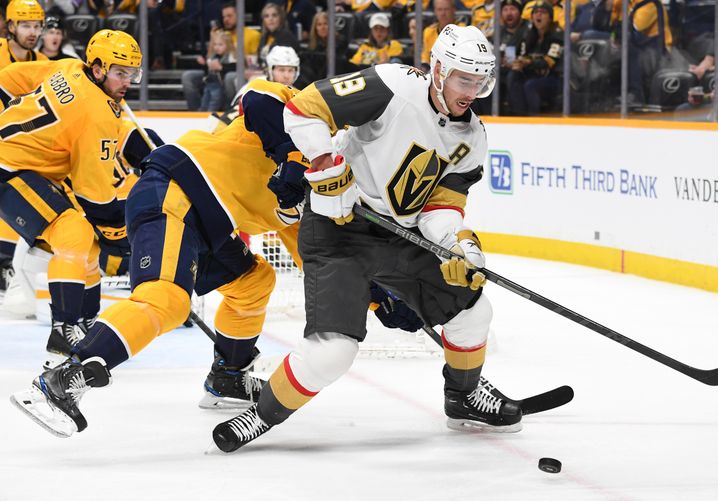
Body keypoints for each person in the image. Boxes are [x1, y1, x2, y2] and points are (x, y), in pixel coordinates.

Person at [213, 24, 523, 454]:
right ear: (437, 70)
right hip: (338, 230)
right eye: (463, 79)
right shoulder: (394, 85)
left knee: (473, 312)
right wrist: (326, 165)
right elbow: (303, 109)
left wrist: (458, 246)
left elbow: (440, 207)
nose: (471, 90)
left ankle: (463, 397)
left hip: (401, 236)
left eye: (479, 81)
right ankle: (261, 414)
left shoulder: (472, 139)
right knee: (331, 353)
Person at [9, 75, 311, 436]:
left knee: (254, 280)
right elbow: (258, 95)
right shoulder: (301, 114)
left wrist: (382, 298)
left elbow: (318, 256)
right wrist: (291, 157)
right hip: (177, 189)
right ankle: (61, 380)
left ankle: (227, 378)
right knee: (166, 299)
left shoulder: (323, 187)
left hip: (210, 225)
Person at [0, 30, 142, 362]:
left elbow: (7, 79)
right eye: (120, 73)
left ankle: (88, 324)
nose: (128, 82)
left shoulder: (67, 67)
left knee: (87, 243)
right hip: (8, 169)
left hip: (26, 169)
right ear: (98, 69)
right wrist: (118, 235)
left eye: (132, 73)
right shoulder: (97, 114)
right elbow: (94, 197)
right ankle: (63, 328)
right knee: (76, 233)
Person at [0, 0, 47, 295]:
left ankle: (7, 264)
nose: (32, 32)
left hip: (20, 147)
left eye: (37, 25)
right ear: (11, 26)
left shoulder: (42, 62)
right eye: (26, 25)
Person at [507, 0, 564, 115]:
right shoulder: (529, 35)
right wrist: (515, 62)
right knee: (513, 76)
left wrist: (528, 62)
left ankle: (533, 119)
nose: (538, 15)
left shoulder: (557, 36)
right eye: (536, 12)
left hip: (554, 78)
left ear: (550, 17)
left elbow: (549, 62)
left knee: (531, 85)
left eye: (543, 12)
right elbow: (517, 51)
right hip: (534, 74)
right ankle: (519, 116)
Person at [199, 29, 236, 112]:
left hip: (222, 86)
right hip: (210, 83)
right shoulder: (213, 56)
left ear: (228, 45)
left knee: (215, 100)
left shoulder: (231, 57)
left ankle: (210, 114)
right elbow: (207, 70)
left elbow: (233, 68)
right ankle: (202, 113)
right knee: (205, 99)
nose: (216, 47)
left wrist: (221, 67)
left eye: (220, 45)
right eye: (215, 44)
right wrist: (204, 64)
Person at [256, 2, 300, 67]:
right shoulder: (264, 37)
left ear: (280, 18)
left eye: (274, 15)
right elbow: (260, 60)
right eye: (266, 16)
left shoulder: (286, 36)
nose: (270, 19)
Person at [421, 0, 461, 68]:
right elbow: (425, 59)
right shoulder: (429, 32)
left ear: (453, 10)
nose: (443, 13)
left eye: (446, 9)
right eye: (439, 9)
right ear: (435, 12)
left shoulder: (462, 30)